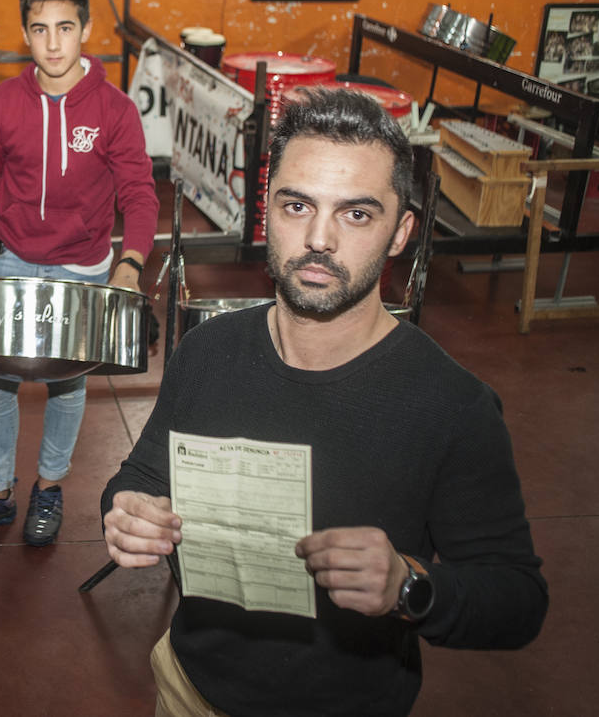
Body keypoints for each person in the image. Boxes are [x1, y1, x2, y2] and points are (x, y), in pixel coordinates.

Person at [101, 88, 547, 717]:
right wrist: (122, 509)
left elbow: (517, 600)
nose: (318, 238)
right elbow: (142, 474)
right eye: (297, 205)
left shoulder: (452, 406)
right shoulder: (207, 352)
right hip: (187, 689)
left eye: (357, 214)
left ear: (401, 232)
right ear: (268, 212)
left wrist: (409, 585)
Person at [0, 0, 159, 548]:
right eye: (40, 30)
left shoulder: (114, 110)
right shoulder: (3, 102)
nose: (54, 43)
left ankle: (50, 486)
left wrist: (129, 262)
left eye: (65, 28)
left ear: (85, 30)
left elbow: (138, 193)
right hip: (9, 262)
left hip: (81, 265)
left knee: (67, 383)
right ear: (25, 35)